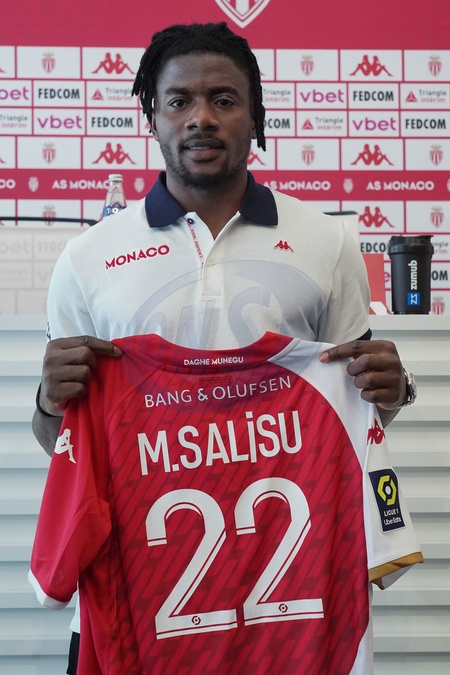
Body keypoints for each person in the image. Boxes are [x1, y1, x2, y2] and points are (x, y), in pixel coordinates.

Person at [31, 21, 415, 674]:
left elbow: (353, 416)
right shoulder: (86, 257)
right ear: (153, 116)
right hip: (135, 606)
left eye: (224, 99)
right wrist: (49, 401)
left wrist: (394, 391)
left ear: (255, 116)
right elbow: (64, 443)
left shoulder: (327, 242)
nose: (201, 118)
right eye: (179, 100)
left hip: (287, 613)